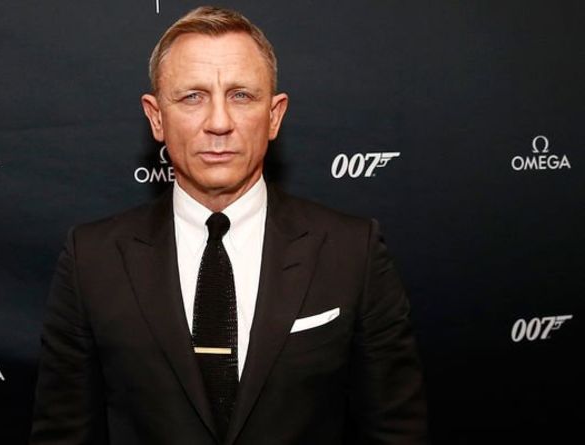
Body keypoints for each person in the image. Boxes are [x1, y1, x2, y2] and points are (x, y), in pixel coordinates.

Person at [30, 6, 427, 444]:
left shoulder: (352, 251)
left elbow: (396, 431)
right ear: (156, 117)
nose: (219, 123)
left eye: (241, 96)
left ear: (274, 115)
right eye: (192, 97)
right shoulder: (92, 260)